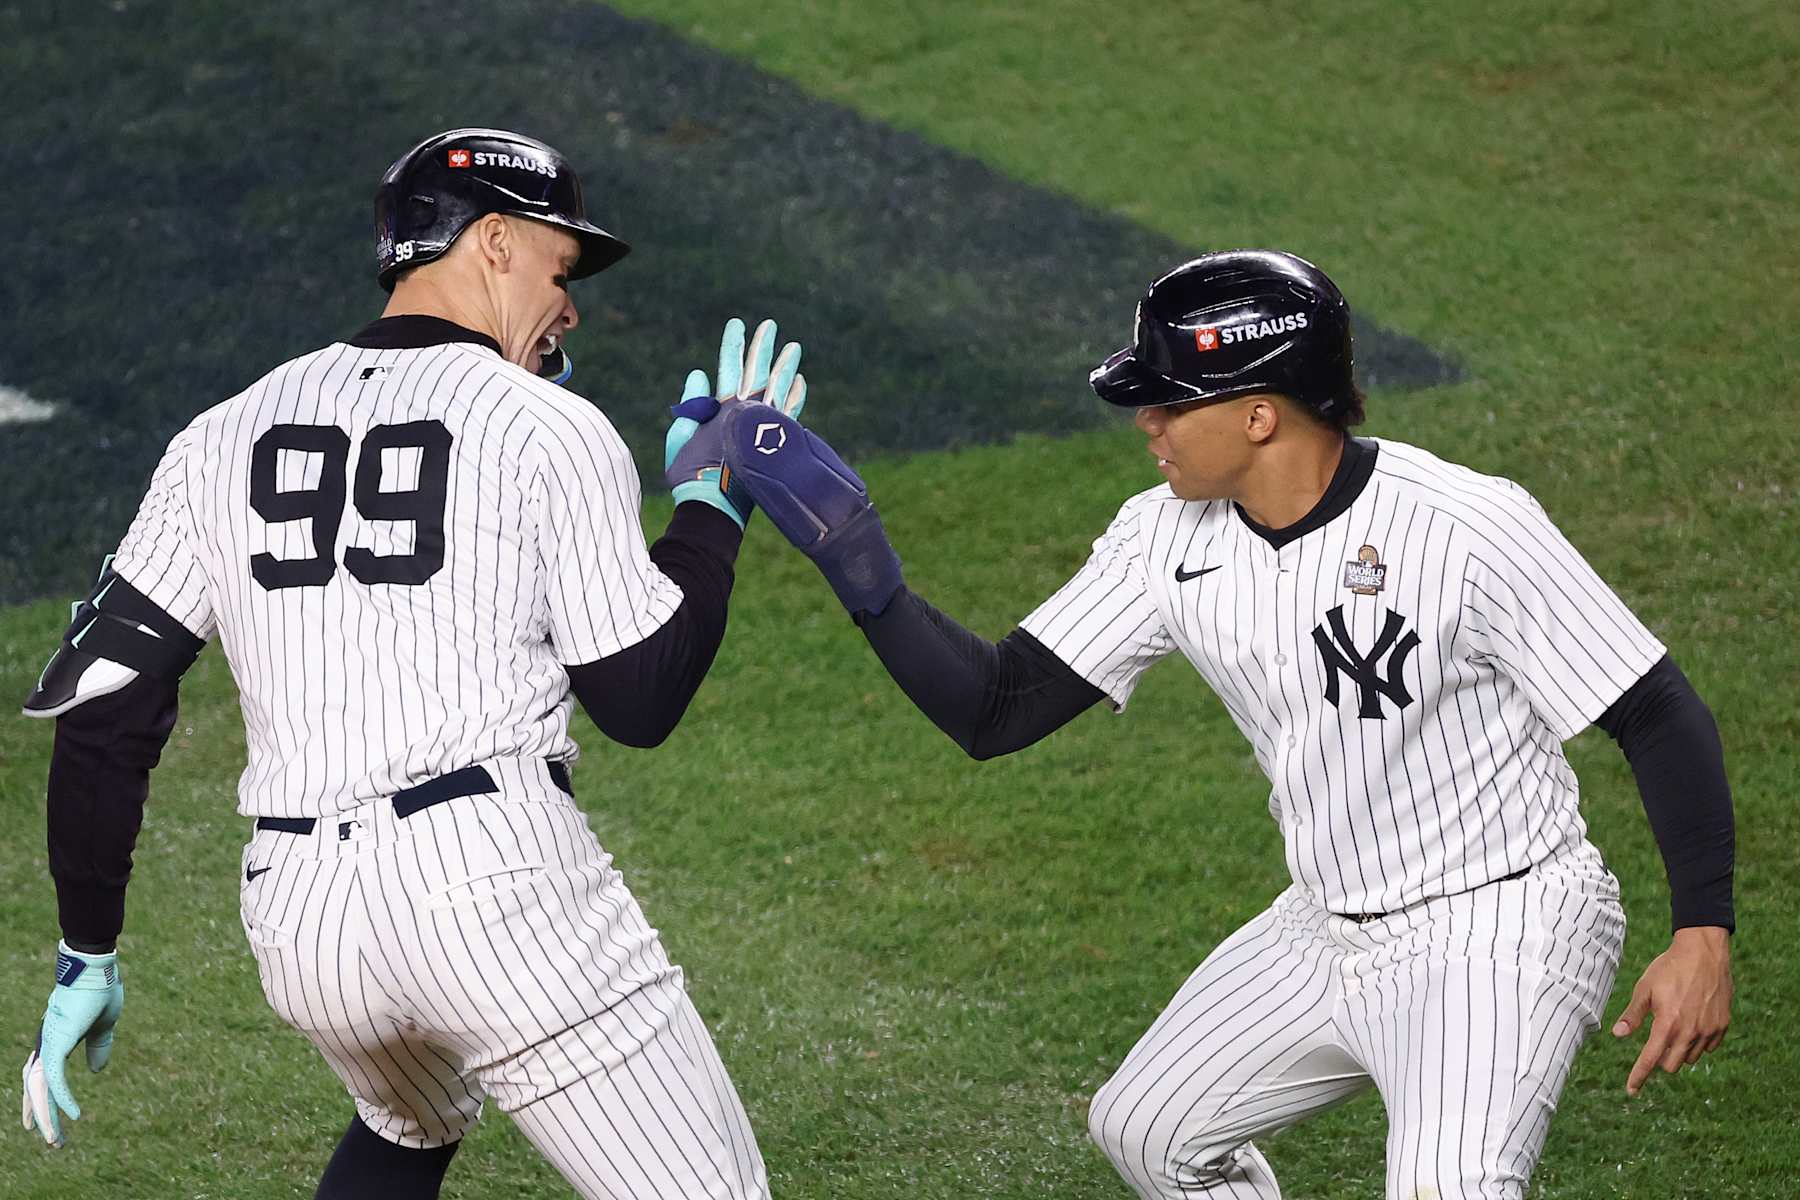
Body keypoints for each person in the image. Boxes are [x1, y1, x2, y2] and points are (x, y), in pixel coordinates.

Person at [717, 249, 1735, 1198]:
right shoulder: (1164, 537)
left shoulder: (1468, 528)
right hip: (1324, 923)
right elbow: (997, 708)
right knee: (1149, 1131)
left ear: (1257, 416)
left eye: (1166, 403)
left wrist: (1701, 933)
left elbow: (1655, 711)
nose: (1143, 425)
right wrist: (859, 558)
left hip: (1499, 925)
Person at [20, 126, 799, 1200]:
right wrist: (713, 507)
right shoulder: (548, 428)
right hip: (495, 894)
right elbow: (641, 695)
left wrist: (87, 950)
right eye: (559, 268)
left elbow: (104, 708)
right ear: (490, 242)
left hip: (304, 923)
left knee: (408, 1115)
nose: (569, 307)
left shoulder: (220, 433)